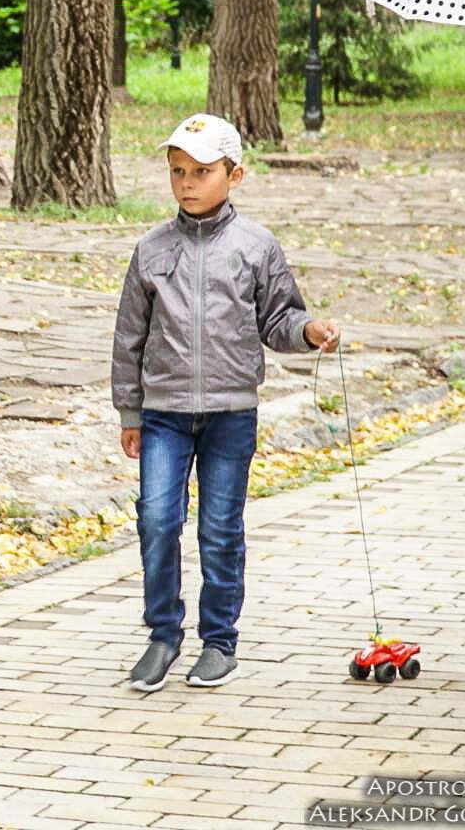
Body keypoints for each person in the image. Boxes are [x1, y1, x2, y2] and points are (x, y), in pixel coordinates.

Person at [112, 113, 340, 692]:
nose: (187, 183)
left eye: (202, 172)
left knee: (219, 528)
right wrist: (130, 411)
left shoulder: (256, 247)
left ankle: (218, 642)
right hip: (163, 414)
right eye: (178, 172)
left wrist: (308, 330)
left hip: (231, 413)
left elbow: (279, 317)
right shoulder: (151, 249)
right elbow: (129, 336)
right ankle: (163, 635)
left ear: (234, 175)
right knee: (157, 520)